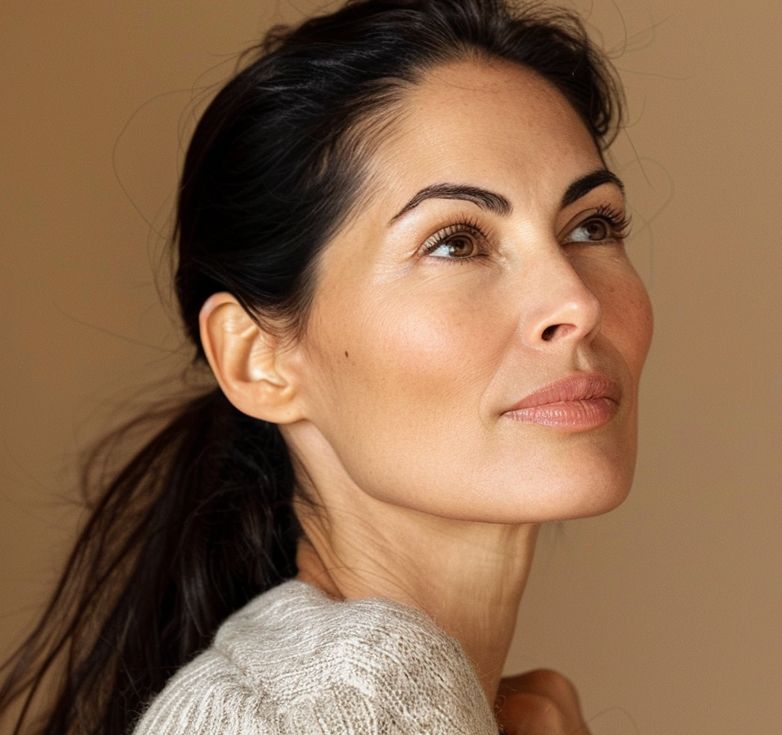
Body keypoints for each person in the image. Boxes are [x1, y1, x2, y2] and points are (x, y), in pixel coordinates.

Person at [0, 0, 653, 732]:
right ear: (259, 360)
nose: (575, 300)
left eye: (591, 225)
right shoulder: (363, 691)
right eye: (455, 242)